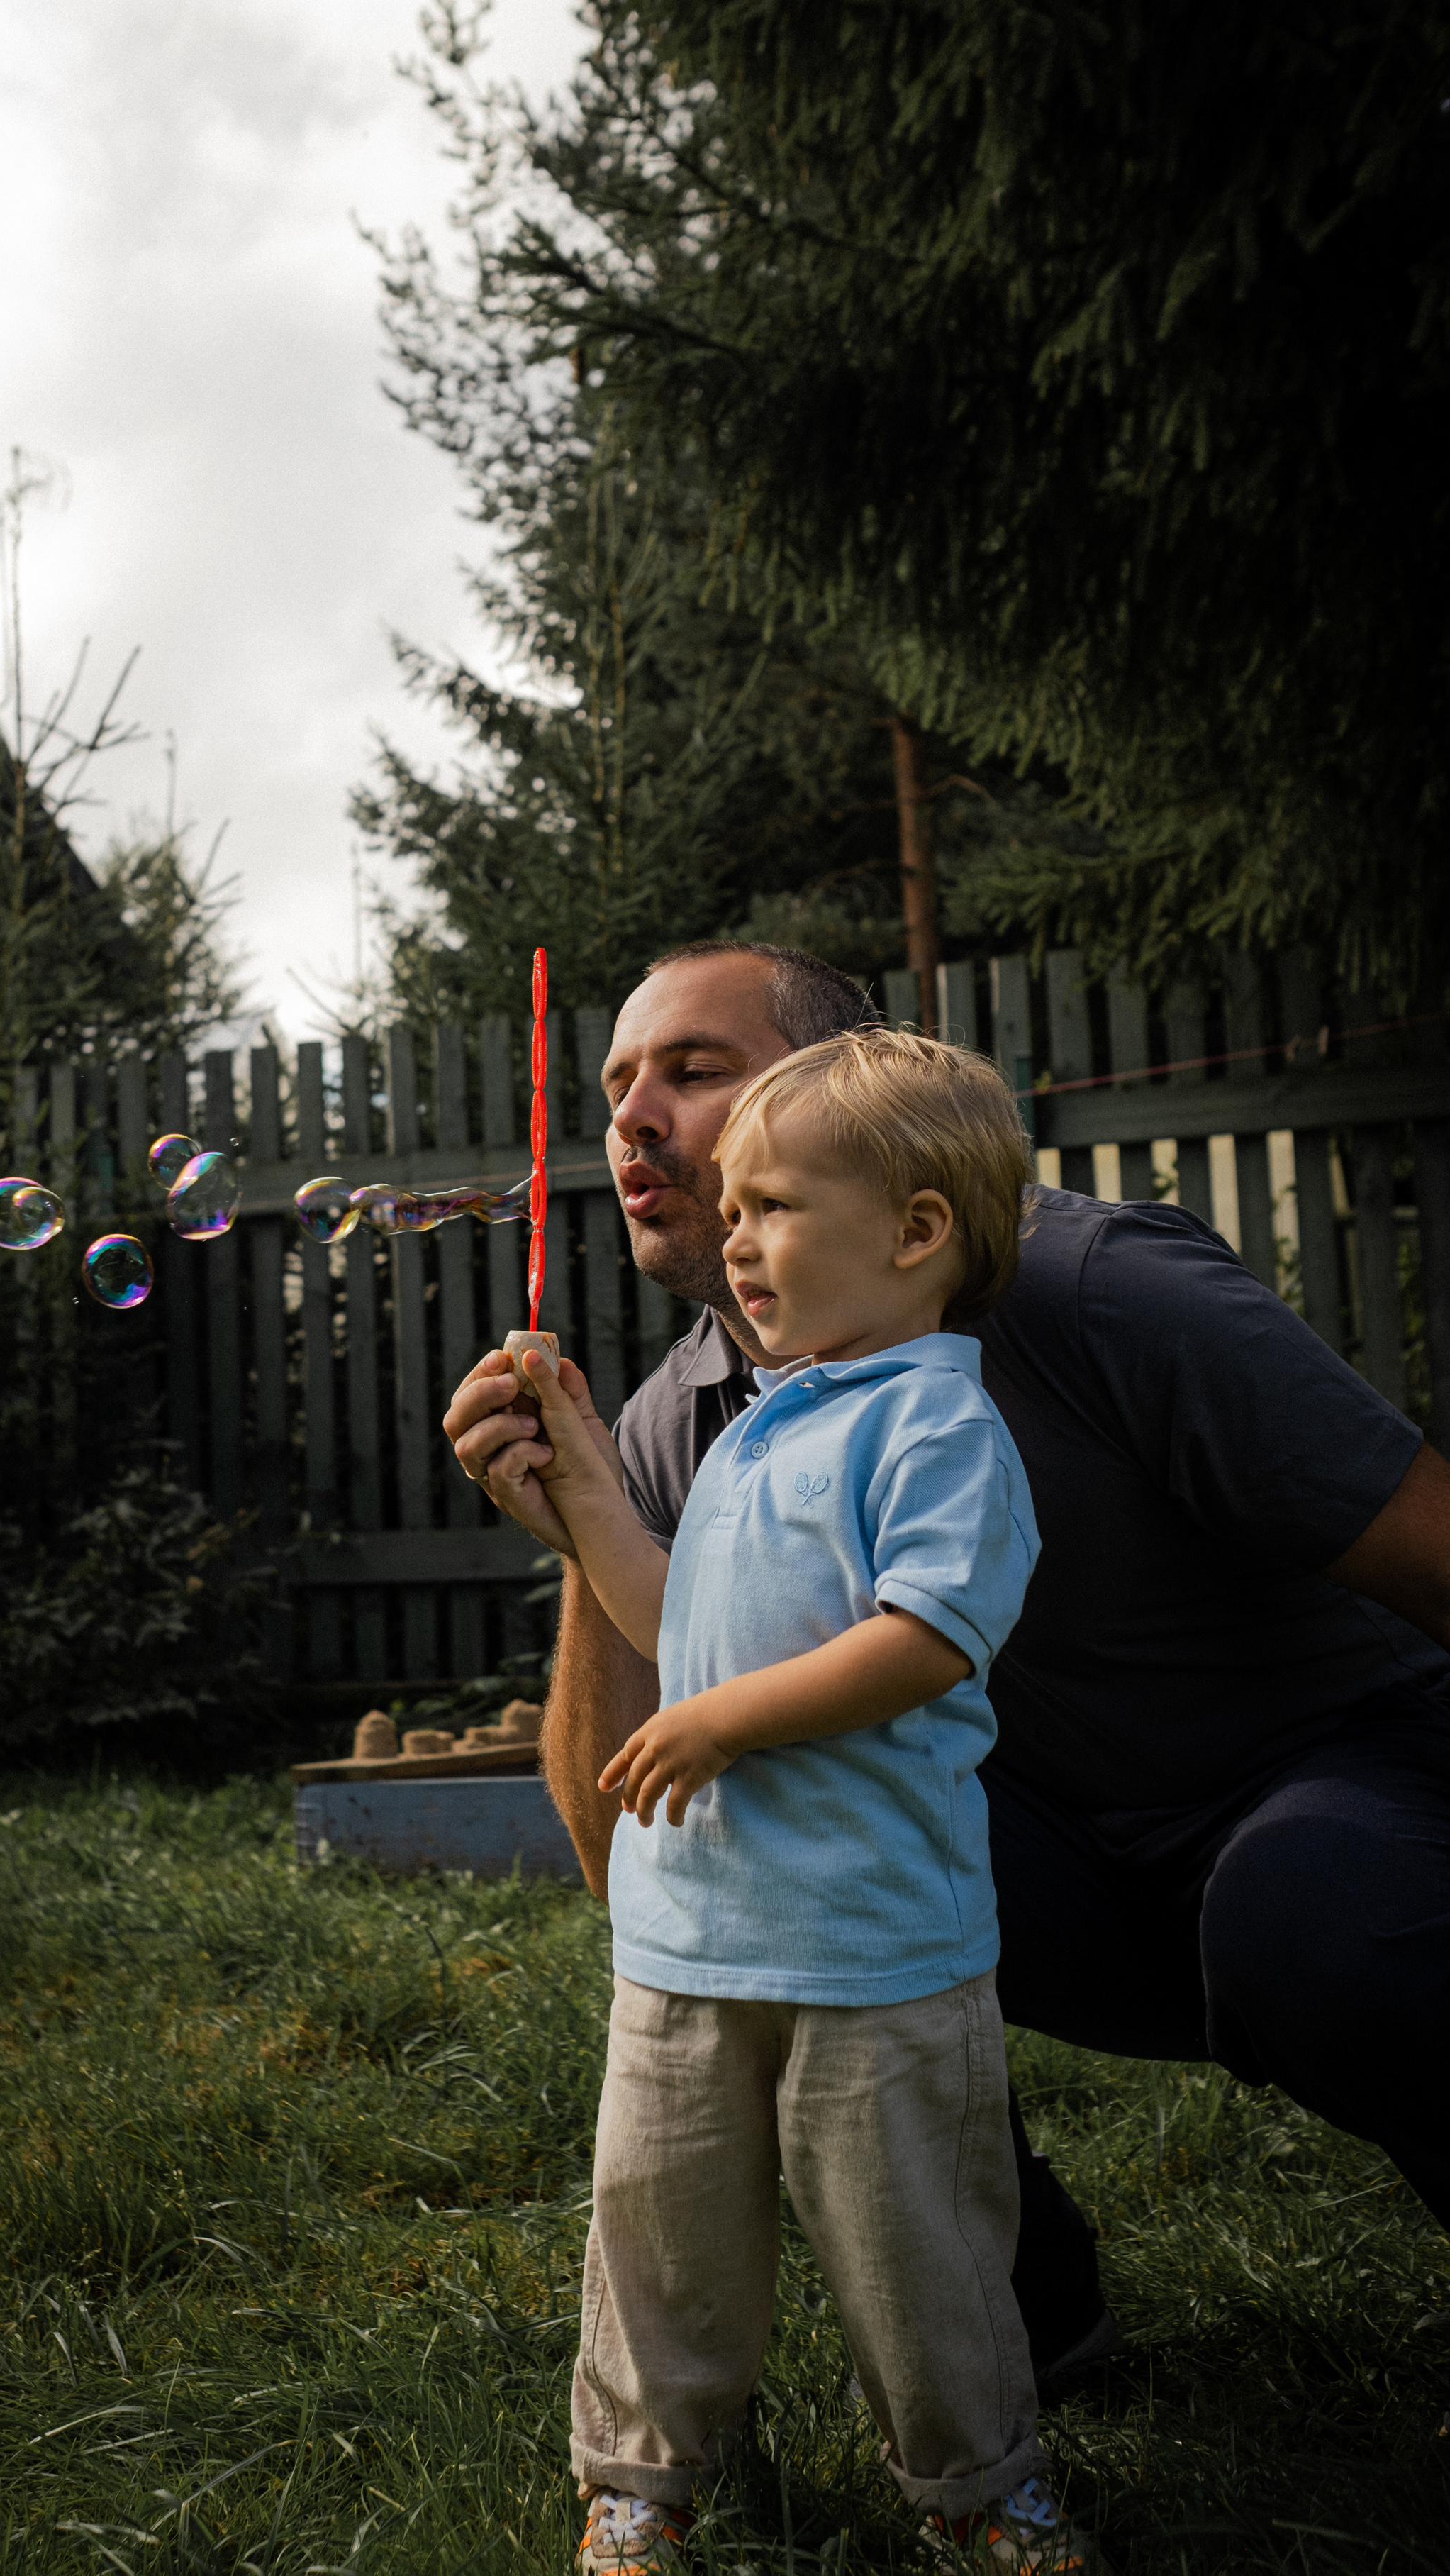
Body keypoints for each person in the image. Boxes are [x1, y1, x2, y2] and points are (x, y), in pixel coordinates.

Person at [445, 940, 1450, 2393]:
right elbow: (638, 1857)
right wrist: (578, 1521)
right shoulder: (682, 1423)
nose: (632, 1118)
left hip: (1343, 1806)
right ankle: (1023, 2323)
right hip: (1057, 1881)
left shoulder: (1090, 1287)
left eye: (693, 1070)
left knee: (1303, 1911)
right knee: (756, 1924)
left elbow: (1425, 1545)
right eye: (615, 1085)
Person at [518, 1026, 1107, 2575]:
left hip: (872, 1950)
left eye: (771, 1205)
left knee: (914, 2247)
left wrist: (714, 1725)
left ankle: (977, 2479)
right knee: (658, 2234)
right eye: (733, 1214)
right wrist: (580, 1477)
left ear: (915, 1234)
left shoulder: (935, 1428)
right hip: (688, 1938)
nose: (735, 1237)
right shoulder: (754, 1426)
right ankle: (640, 2475)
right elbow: (671, 1619)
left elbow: (921, 1640)